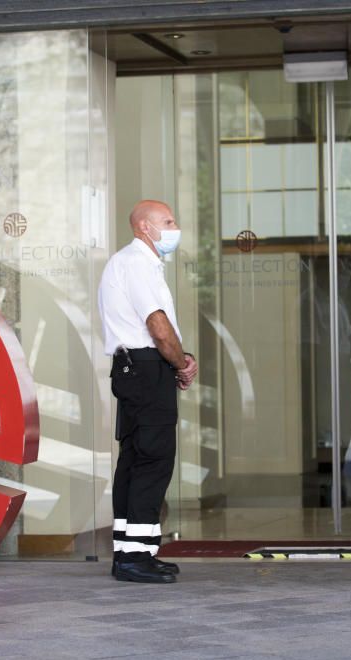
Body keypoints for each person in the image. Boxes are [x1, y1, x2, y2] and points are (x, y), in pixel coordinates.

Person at [97, 199, 198, 584]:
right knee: (153, 459)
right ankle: (135, 558)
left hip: (133, 368)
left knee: (135, 458)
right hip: (145, 367)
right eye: (168, 221)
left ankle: (131, 550)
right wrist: (180, 363)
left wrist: (176, 358)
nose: (175, 227)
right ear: (144, 227)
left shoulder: (131, 262)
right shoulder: (137, 263)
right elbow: (157, 325)